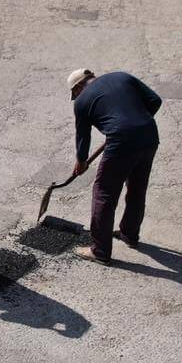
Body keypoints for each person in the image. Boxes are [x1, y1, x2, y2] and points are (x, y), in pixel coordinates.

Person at [69, 68, 162, 264]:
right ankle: (129, 234)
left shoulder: (82, 102)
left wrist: (81, 161)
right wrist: (137, 122)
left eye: (74, 93)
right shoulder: (122, 76)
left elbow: (83, 138)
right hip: (149, 135)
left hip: (122, 141)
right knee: (137, 188)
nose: (76, 97)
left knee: (104, 192)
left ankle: (100, 250)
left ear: (78, 87)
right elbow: (155, 101)